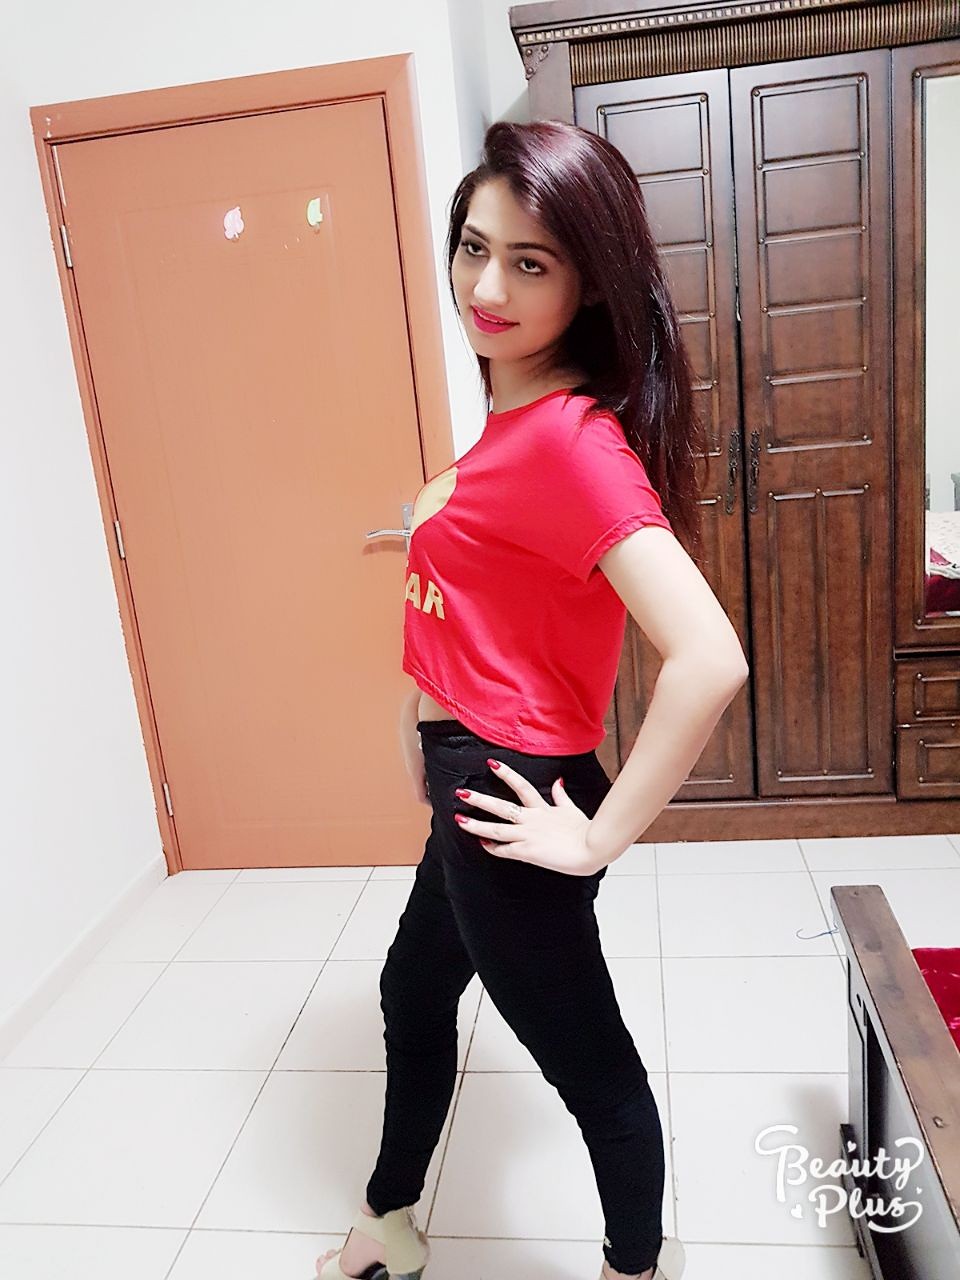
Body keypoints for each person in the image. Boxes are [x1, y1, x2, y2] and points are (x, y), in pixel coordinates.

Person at [316, 119, 748, 1280]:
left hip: (506, 793)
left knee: (591, 1068)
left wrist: (599, 836)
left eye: (530, 261)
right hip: (473, 776)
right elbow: (485, 586)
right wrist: (414, 691)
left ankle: (632, 1267)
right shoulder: (515, 421)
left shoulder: (570, 443)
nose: (487, 287)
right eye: (474, 247)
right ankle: (390, 1220)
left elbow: (709, 655)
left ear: (588, 281)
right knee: (413, 990)